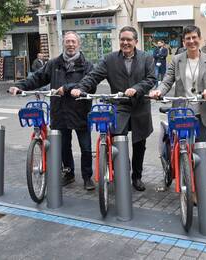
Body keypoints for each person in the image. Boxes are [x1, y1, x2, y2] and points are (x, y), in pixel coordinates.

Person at [71, 26, 156, 192]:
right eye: (122, 39)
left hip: (140, 106)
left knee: (140, 144)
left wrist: (137, 88)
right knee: (118, 140)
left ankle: (137, 177)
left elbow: (151, 78)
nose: (125, 42)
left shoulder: (147, 58)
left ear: (136, 42)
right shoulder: (110, 59)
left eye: (129, 40)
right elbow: (94, 76)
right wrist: (81, 88)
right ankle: (122, 173)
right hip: (120, 106)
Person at [9, 31, 95, 190]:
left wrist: (67, 88)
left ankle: (87, 177)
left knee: (86, 147)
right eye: (67, 41)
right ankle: (68, 173)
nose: (70, 44)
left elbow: (90, 84)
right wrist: (20, 86)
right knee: (63, 146)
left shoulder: (87, 65)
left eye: (73, 42)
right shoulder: (54, 63)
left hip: (80, 111)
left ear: (78, 44)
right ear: (63, 43)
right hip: (60, 111)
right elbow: (37, 78)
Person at [149, 25, 206, 143]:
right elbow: (167, 81)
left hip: (203, 114)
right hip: (181, 112)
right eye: (188, 38)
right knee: (181, 150)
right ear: (183, 41)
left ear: (200, 39)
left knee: (201, 150)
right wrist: (159, 91)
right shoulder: (176, 60)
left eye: (194, 37)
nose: (191, 41)